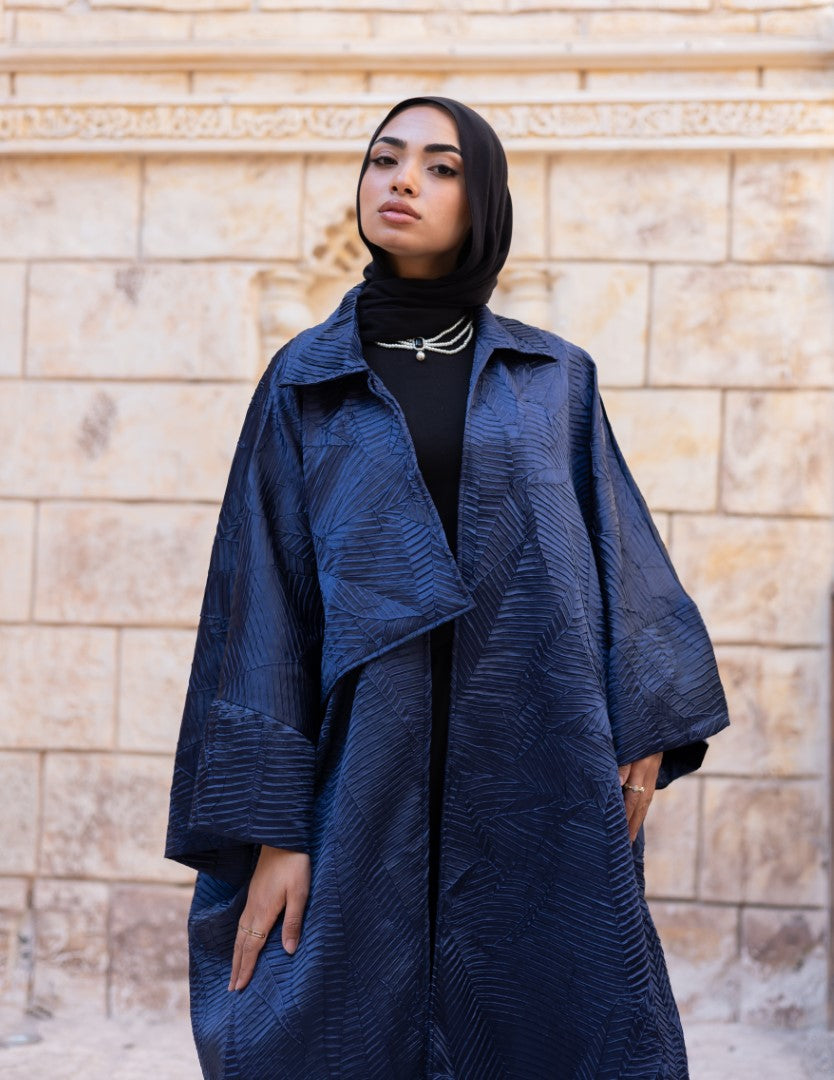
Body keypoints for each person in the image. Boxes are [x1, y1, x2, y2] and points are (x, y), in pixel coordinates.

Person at [165, 96, 730, 1080]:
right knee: (322, 1020)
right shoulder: (307, 379)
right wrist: (274, 829)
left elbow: (613, 552)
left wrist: (644, 729)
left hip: (533, 758)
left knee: (548, 1012)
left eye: (440, 166)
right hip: (357, 766)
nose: (402, 182)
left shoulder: (553, 378)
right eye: (385, 160)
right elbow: (262, 603)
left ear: (484, 201)